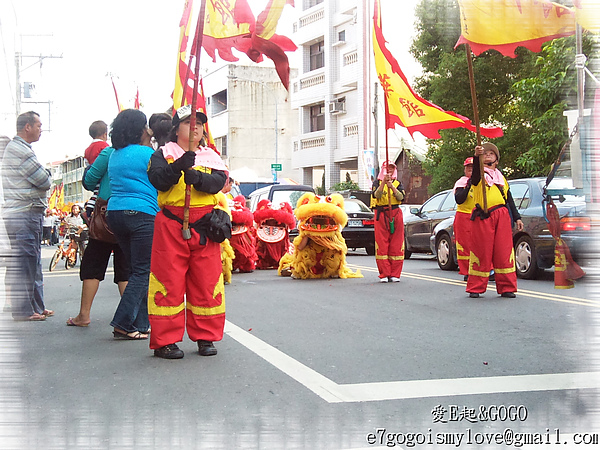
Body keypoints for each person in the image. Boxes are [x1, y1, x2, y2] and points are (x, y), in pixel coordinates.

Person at [147, 105, 228, 359]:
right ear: (176, 129)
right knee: (167, 282)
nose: (195, 128)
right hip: (171, 225)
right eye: (188, 123)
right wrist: (179, 167)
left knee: (206, 282)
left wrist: (199, 179)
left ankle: (206, 337)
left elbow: (219, 182)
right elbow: (157, 180)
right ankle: (165, 340)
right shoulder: (163, 154)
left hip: (205, 226)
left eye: (200, 124)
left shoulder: (211, 155)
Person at [106, 109, 158, 339]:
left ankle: (141, 323)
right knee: (142, 271)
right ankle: (123, 323)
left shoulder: (114, 154)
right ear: (140, 129)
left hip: (115, 213)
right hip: (142, 213)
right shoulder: (148, 153)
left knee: (137, 269)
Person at [66, 144, 129, 327]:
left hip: (106, 213)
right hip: (133, 212)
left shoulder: (109, 153)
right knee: (126, 268)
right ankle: (130, 318)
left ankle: (83, 315)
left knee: (93, 264)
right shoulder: (145, 152)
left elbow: (90, 180)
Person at [1, 111, 53, 321]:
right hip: (23, 213)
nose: (41, 129)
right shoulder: (20, 151)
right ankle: (23, 311)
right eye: (38, 125)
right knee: (25, 261)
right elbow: (44, 180)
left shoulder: (22, 149)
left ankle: (36, 307)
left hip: (27, 212)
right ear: (27, 127)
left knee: (33, 261)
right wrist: (46, 172)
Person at [467, 143, 523, 298]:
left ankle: (507, 287)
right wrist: (476, 156)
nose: (488, 155)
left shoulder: (501, 178)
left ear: (497, 160)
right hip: (484, 215)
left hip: (502, 215)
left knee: (504, 251)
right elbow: (476, 176)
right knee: (481, 251)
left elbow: (508, 199)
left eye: (491, 153)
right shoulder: (478, 175)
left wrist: (517, 217)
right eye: (485, 153)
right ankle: (476, 287)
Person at [370, 161, 406, 283]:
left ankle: (395, 273)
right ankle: (384, 273)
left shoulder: (398, 183)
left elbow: (401, 197)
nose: (389, 170)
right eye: (387, 168)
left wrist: (392, 187)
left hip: (395, 213)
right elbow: (376, 195)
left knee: (396, 243)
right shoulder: (377, 182)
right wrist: (384, 183)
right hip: (382, 214)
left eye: (391, 168)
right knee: (382, 243)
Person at [453, 157, 475, 281]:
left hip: (477, 215)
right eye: (468, 167)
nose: (470, 169)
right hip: (464, 216)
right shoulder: (461, 183)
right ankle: (467, 271)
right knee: (465, 245)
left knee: (479, 243)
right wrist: (468, 186)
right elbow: (459, 199)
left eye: (473, 167)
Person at [83, 120, 109, 218]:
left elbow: (86, 162)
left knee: (95, 192)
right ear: (104, 134)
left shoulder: (88, 149)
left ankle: (89, 210)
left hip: (92, 172)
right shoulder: (105, 146)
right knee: (98, 193)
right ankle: (89, 210)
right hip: (101, 173)